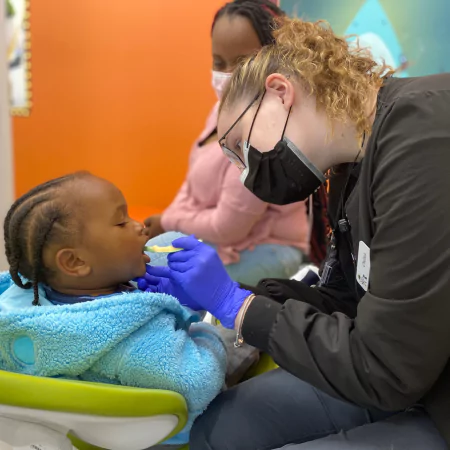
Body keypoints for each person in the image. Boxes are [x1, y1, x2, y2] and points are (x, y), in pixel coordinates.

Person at [138, 17, 450, 450]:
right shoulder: (349, 165)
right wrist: (231, 294)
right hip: (408, 371)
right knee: (218, 428)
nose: (249, 177)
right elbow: (346, 301)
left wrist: (239, 307)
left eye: (242, 149)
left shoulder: (424, 140)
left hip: (416, 385)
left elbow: (385, 368)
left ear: (280, 93)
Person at [0, 172, 226, 447]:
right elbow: (197, 381)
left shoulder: (29, 302)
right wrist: (210, 332)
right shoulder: (129, 340)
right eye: (121, 222)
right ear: (75, 262)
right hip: (162, 437)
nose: (139, 226)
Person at [143, 0, 318, 286]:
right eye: (218, 62)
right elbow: (192, 185)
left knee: (168, 280)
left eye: (242, 62)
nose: (227, 74)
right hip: (223, 244)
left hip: (268, 251)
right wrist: (166, 224)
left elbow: (228, 228)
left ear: (275, 58)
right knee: (151, 258)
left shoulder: (269, 132)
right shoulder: (222, 110)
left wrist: (168, 221)